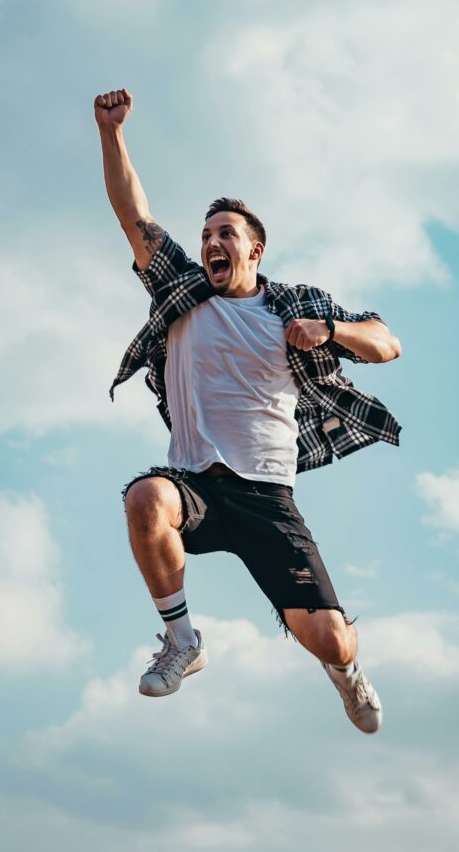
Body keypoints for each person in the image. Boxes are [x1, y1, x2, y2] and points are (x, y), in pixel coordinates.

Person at [95, 87, 402, 733]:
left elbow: (385, 342)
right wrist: (111, 132)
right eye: (206, 233)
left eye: (225, 234)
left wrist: (329, 330)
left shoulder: (292, 303)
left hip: (266, 496)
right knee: (145, 499)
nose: (211, 241)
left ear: (254, 251)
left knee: (330, 639)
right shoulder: (181, 287)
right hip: (194, 482)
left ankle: (345, 674)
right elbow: (133, 216)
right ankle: (182, 641)